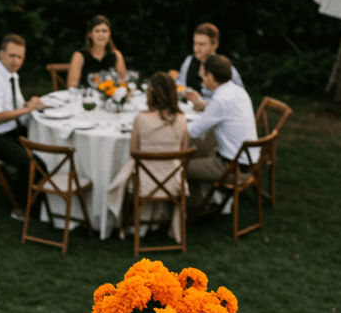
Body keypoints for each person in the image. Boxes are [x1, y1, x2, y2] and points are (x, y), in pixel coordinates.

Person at [0, 33, 46, 220]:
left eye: (20, 57)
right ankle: (20, 207)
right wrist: (26, 110)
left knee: (45, 146)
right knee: (33, 163)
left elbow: (17, 105)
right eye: (12, 55)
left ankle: (44, 198)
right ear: (1, 54)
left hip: (8, 130)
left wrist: (30, 102)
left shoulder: (12, 75)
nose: (16, 61)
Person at [107, 72, 189, 242]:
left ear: (150, 94)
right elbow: (183, 153)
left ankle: (123, 223)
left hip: (144, 183)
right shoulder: (182, 120)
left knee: (125, 176)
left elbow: (133, 152)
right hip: (174, 183)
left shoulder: (141, 119)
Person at [187, 54, 258, 184]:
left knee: (179, 166)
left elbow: (194, 131)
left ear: (211, 75)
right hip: (247, 160)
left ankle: (197, 201)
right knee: (199, 145)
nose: (202, 78)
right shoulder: (237, 91)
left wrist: (171, 128)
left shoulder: (221, 99)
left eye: (204, 75)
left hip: (232, 168)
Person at [176, 23, 244, 108]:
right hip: (189, 112)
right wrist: (186, 91)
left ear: (214, 46)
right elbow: (178, 86)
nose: (196, 49)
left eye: (201, 44)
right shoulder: (189, 61)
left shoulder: (226, 69)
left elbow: (239, 99)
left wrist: (205, 104)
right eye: (195, 43)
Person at [67, 15, 127, 90]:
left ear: (109, 34)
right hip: (85, 99)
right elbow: (72, 86)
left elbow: (123, 83)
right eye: (97, 31)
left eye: (104, 31)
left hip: (110, 98)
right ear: (90, 34)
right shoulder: (79, 55)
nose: (101, 35)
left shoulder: (116, 55)